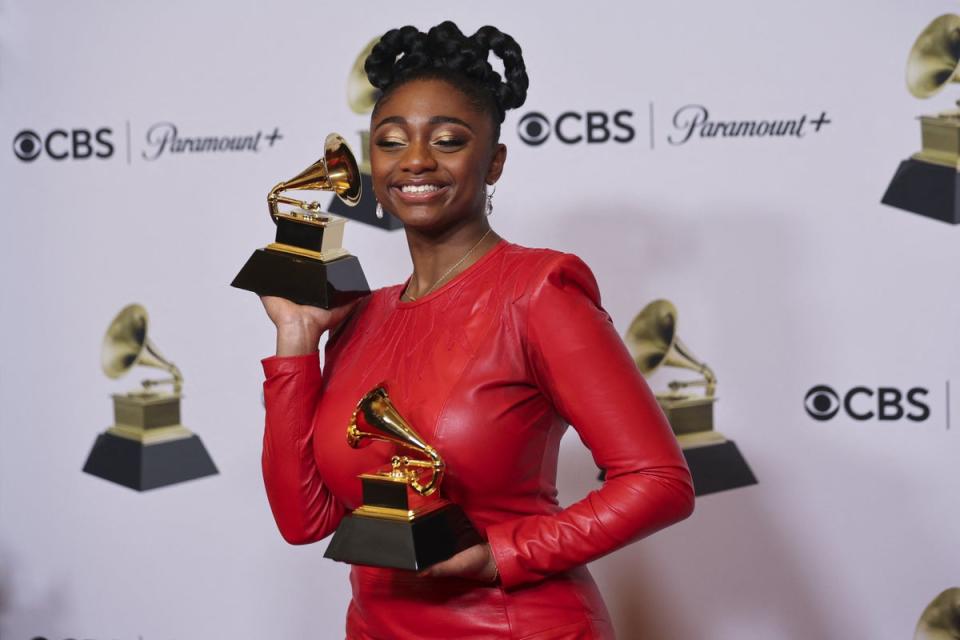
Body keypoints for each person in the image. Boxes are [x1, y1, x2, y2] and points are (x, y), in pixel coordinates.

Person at [258, 21, 694, 640]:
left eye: (447, 139)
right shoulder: (358, 315)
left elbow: (659, 482)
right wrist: (297, 339)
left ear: (494, 162)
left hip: (516, 625)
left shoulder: (539, 291)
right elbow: (305, 519)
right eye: (390, 140)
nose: (415, 159)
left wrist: (501, 555)